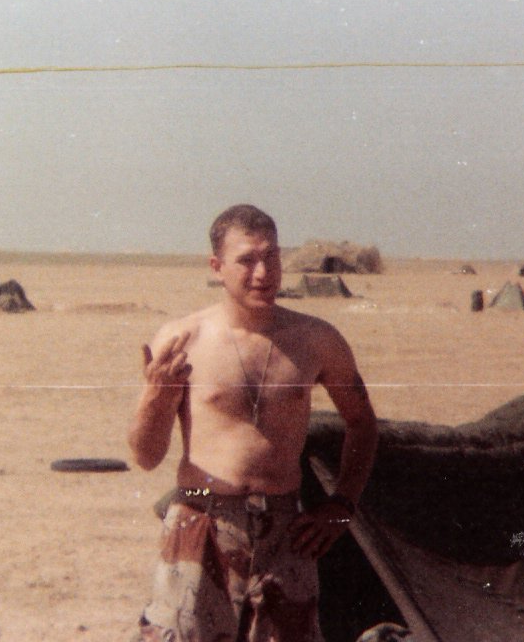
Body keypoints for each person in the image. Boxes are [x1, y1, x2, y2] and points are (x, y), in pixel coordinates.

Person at [129, 204, 378, 642]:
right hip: (200, 512)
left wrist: (342, 506)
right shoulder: (182, 340)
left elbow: (361, 423)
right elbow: (146, 457)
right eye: (246, 260)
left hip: (284, 525)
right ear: (217, 267)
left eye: (272, 257)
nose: (263, 273)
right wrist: (156, 396)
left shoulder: (318, 340)